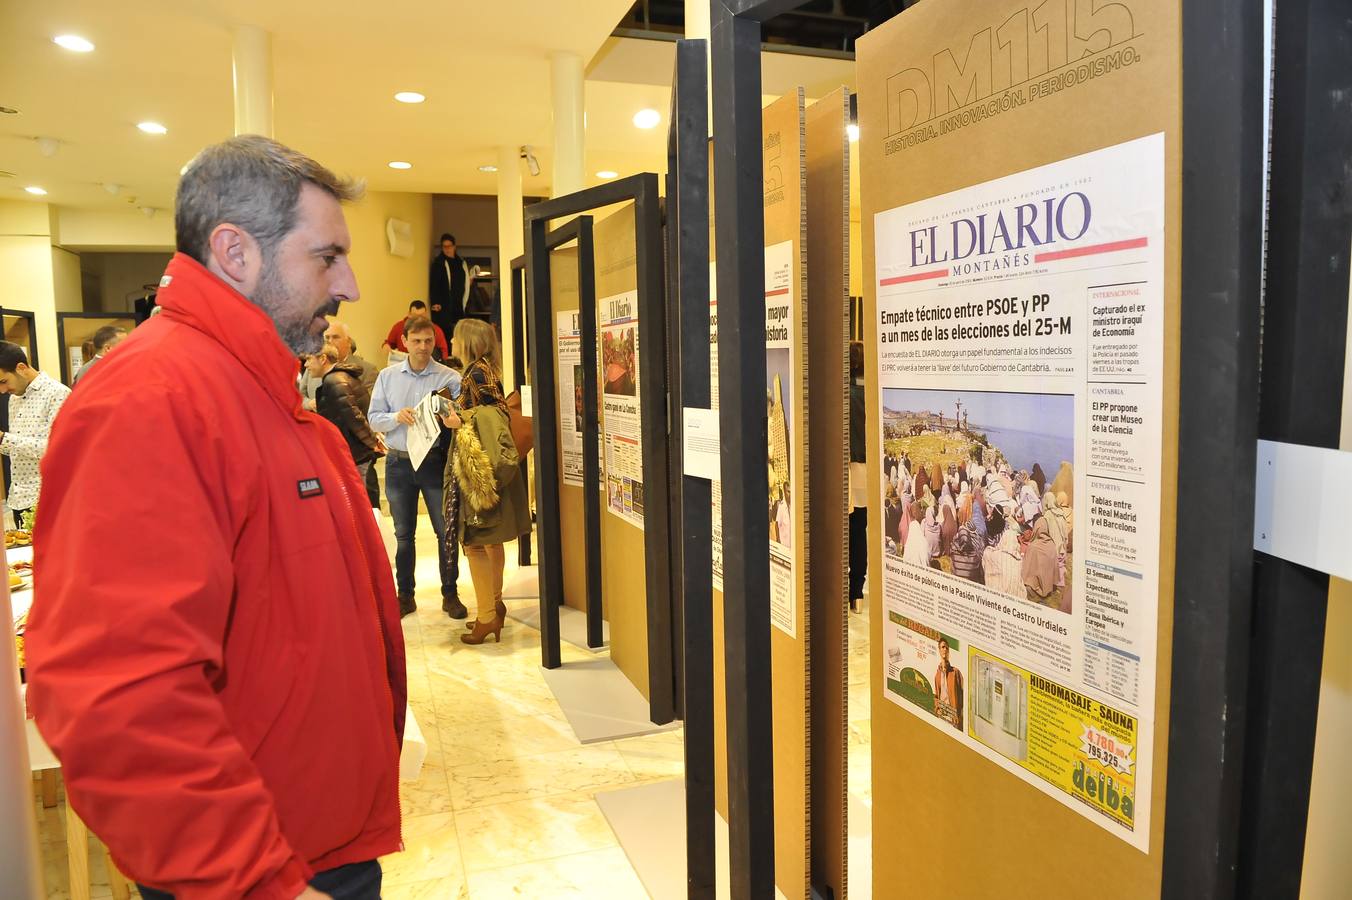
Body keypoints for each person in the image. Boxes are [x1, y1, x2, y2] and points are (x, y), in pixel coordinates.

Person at [25, 135, 404, 900]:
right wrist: (258, 882)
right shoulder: (153, 400)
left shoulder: (258, 395)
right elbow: (119, 694)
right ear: (235, 252)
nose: (352, 286)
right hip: (264, 867)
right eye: (327, 258)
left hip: (317, 841)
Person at [439, 318, 530, 645]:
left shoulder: (475, 372)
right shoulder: (487, 369)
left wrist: (456, 419)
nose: (450, 339)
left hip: (481, 471)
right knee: (490, 540)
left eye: (455, 336)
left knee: (475, 542)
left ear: (469, 342)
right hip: (491, 470)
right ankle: (493, 606)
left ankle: (487, 617)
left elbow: (490, 419)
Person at [368, 316, 464, 618]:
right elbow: (373, 418)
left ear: (434, 342)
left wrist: (451, 419)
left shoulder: (449, 378)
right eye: (416, 341)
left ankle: (450, 594)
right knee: (403, 534)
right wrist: (397, 416)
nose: (422, 347)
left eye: (427, 341)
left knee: (443, 532)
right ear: (405, 342)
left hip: (435, 462)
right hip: (399, 462)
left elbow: (463, 416)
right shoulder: (387, 376)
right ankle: (405, 596)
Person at [0, 341, 71, 528]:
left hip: (48, 500)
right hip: (18, 499)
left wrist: (3, 439)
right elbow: (20, 451)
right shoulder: (14, 399)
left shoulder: (58, 394)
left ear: (21, 368)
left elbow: (55, 449)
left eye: (3, 381)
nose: (2, 390)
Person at [312, 342, 384, 497]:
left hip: (354, 453)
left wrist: (372, 441)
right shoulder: (341, 376)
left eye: (310, 359)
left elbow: (353, 415)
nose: (306, 364)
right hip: (356, 452)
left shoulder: (334, 380)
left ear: (323, 359)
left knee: (357, 501)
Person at [847, 341, 867, 612]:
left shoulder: (843, 393)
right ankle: (857, 594)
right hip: (865, 468)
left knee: (842, 532)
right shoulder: (869, 393)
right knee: (859, 531)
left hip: (845, 467)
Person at [428, 233, 470, 336]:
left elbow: (465, 282)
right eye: (444, 246)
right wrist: (435, 302)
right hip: (444, 307)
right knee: (445, 335)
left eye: (449, 246)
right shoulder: (439, 263)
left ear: (454, 246)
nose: (447, 249)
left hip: (459, 306)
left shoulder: (461, 263)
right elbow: (434, 284)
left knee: (459, 335)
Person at [382, 300, 449, 361]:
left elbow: (443, 352)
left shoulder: (435, 329)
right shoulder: (399, 327)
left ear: (426, 314)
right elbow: (388, 343)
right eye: (415, 316)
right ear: (409, 314)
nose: (418, 320)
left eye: (422, 316)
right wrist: (386, 346)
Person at [323, 320, 378, 391]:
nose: (330, 341)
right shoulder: (314, 364)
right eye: (327, 338)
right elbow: (303, 394)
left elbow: (368, 401)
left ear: (348, 342)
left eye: (335, 337)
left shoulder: (368, 370)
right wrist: (311, 402)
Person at [933, 637, 964, 729]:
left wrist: (959, 715)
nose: (945, 649)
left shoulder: (955, 672)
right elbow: (936, 696)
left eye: (947, 648)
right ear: (939, 650)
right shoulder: (937, 675)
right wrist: (937, 709)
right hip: (942, 715)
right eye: (942, 647)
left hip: (953, 717)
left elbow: (962, 695)